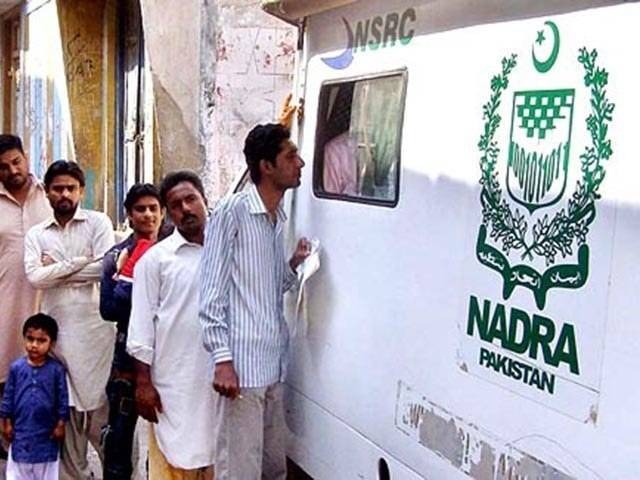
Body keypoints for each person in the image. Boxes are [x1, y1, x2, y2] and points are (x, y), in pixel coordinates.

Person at [199, 123, 310, 479]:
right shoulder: (233, 212)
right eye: (291, 156)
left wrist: (293, 264)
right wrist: (222, 360)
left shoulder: (277, 217)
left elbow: (270, 286)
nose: (300, 163)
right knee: (240, 469)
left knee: (273, 467)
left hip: (273, 364)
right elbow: (211, 292)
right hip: (242, 371)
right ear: (266, 166)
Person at [23, 160, 115, 480]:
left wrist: (56, 268)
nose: (64, 194)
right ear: (47, 192)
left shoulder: (98, 223)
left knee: (104, 419)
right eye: (58, 188)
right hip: (59, 336)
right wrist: (79, 262)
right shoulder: (37, 234)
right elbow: (35, 277)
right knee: (66, 415)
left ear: (81, 191)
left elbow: (105, 269)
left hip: (97, 335)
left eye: (71, 188)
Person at [127, 171, 215, 479]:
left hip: (220, 382)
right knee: (173, 464)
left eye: (191, 199)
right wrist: (143, 384)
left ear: (205, 200)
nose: (186, 209)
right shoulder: (155, 261)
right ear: (168, 213)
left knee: (221, 460)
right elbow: (140, 328)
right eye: (176, 205)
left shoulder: (227, 249)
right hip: (174, 387)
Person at [100, 183, 163, 480]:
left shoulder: (175, 251)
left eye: (153, 208)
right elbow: (109, 309)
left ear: (162, 212)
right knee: (119, 440)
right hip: (127, 357)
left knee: (168, 443)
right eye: (140, 209)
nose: (148, 215)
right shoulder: (116, 255)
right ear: (129, 214)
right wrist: (125, 276)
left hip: (170, 356)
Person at [0, 134, 51, 454]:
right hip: (4, 308)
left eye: (16, 162)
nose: (12, 170)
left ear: (26, 156)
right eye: (3, 167)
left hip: (47, 305)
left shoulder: (48, 196)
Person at [0, 313, 69, 480]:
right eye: (30, 339)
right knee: (17, 472)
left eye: (41, 340)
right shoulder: (17, 368)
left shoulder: (56, 370)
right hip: (21, 432)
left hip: (47, 434)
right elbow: (8, 397)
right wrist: (5, 423)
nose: (34, 345)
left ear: (52, 343)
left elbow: (62, 399)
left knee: (47, 473)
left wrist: (61, 424)